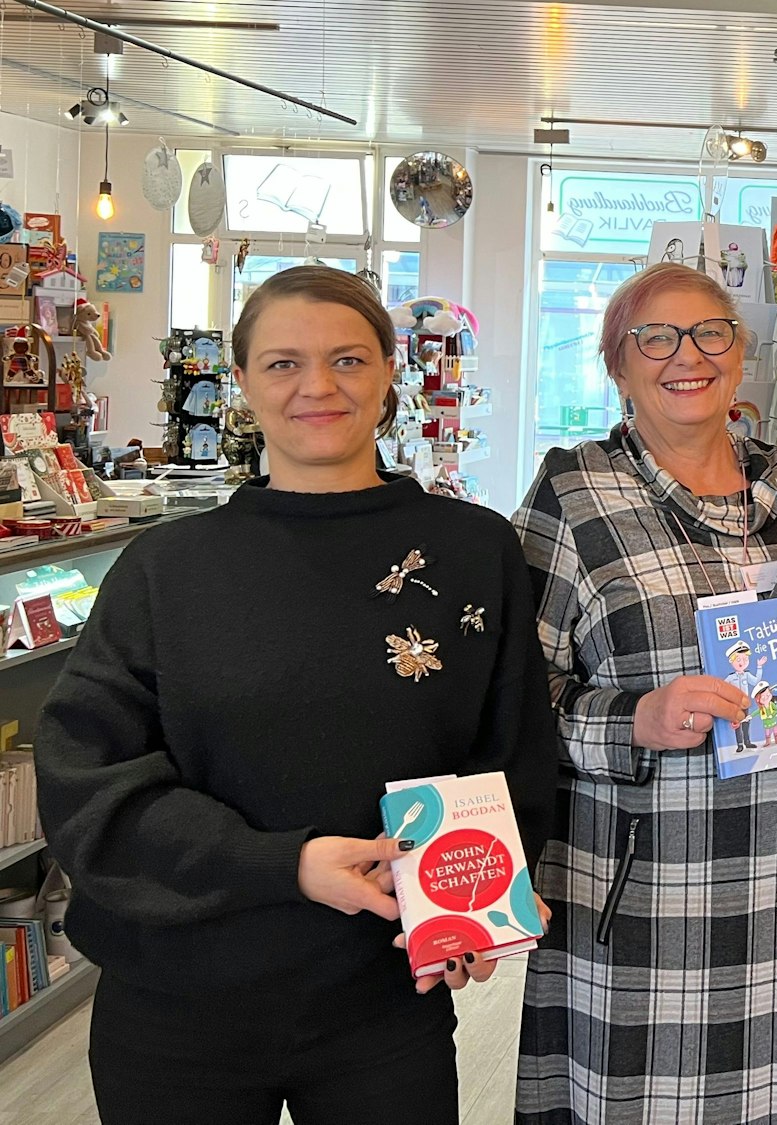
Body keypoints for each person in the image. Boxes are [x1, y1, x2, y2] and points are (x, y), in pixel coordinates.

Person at [35, 265, 558, 1125]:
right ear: (240, 383)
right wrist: (288, 864)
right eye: (282, 363)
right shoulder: (166, 571)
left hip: (382, 999)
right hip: (176, 1002)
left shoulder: (472, 551)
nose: (317, 386)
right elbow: (87, 783)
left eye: (348, 359)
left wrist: (479, 903)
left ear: (391, 371)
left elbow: (510, 757)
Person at [514, 262, 777, 1124]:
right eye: (656, 337)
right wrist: (632, 717)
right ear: (617, 364)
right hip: (646, 909)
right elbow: (512, 700)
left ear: (741, 355)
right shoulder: (572, 495)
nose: (688, 355)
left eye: (711, 332)